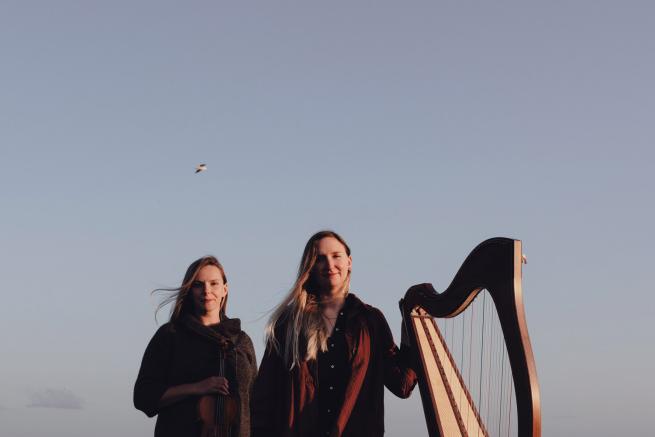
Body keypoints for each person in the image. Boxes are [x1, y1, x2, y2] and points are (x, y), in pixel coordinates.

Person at [252, 230, 417, 436]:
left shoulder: (370, 321)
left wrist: (410, 328)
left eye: (336, 256)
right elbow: (264, 397)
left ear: (349, 262)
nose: (329, 264)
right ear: (310, 268)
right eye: (320, 258)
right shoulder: (288, 324)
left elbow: (402, 385)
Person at [134, 256, 256, 437]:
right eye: (198, 285)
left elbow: (255, 399)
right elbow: (143, 396)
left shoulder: (241, 341)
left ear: (225, 289)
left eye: (214, 283)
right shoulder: (170, 335)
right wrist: (197, 387)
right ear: (190, 291)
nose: (207, 291)